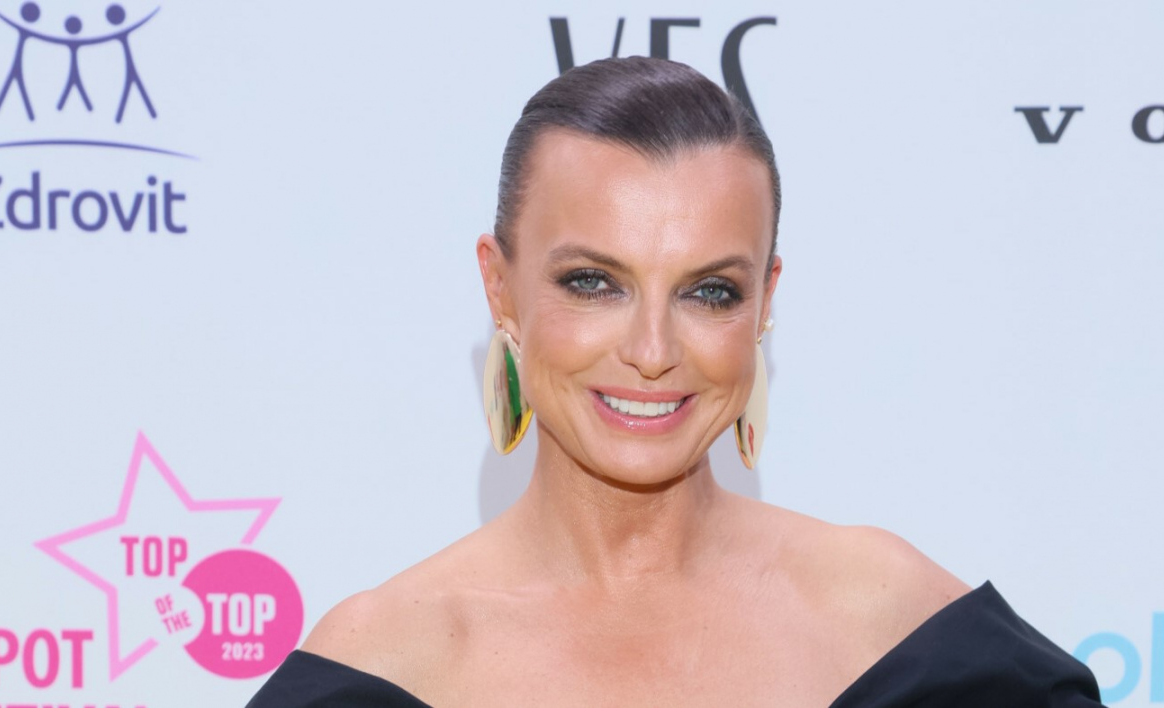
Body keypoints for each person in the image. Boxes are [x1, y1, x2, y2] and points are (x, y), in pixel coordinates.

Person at [246, 57, 1104, 707]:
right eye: (594, 282)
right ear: (499, 288)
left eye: (709, 292)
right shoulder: (388, 665)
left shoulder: (895, 627)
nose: (653, 350)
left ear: (764, 300)